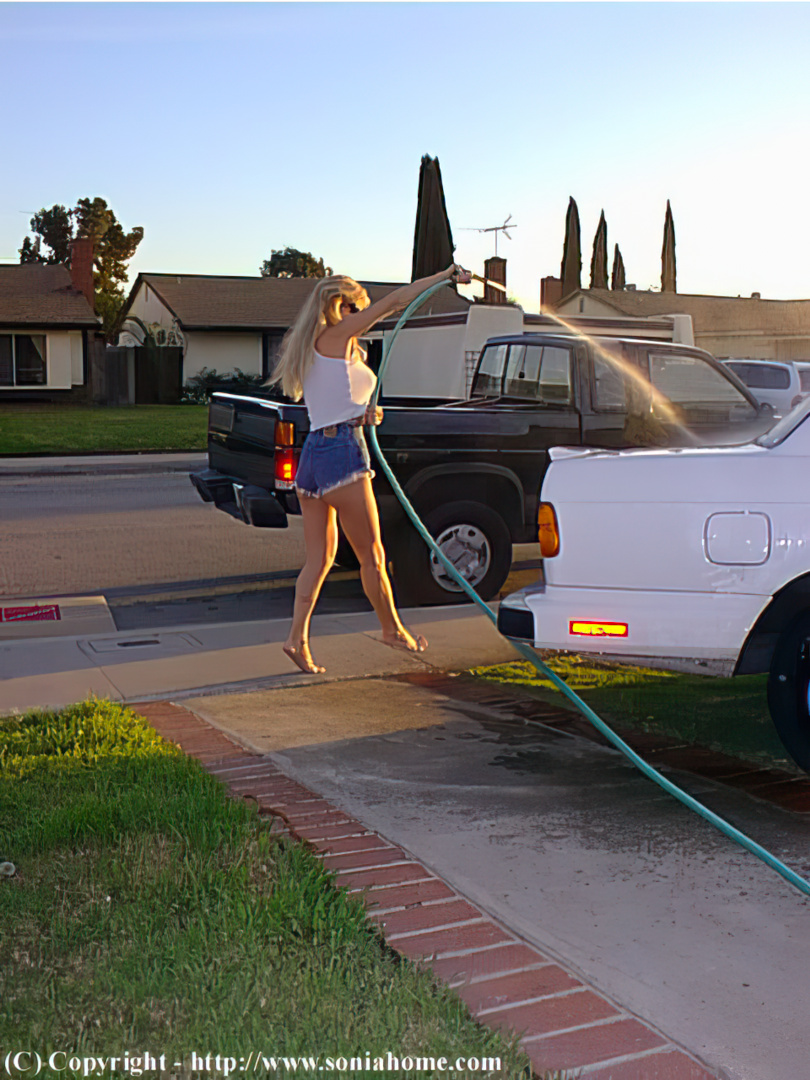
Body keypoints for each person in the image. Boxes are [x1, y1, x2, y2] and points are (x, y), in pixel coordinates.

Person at [268, 262, 472, 674]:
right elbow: (397, 301)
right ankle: (392, 629)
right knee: (372, 555)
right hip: (341, 453)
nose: (360, 315)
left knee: (320, 560)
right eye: (355, 307)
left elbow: (332, 403)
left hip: (314, 453)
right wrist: (444, 275)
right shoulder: (337, 335)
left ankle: (296, 639)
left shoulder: (312, 344)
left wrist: (363, 416)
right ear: (338, 307)